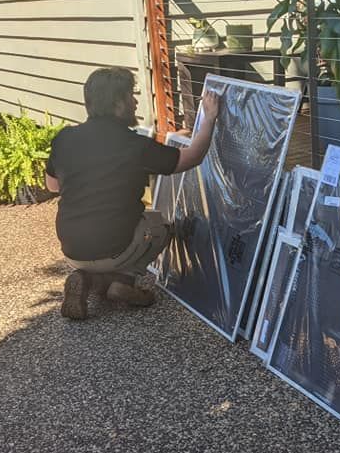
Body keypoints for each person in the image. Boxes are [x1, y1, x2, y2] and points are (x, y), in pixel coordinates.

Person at [44, 67, 219, 320]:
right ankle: (124, 281)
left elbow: (53, 186)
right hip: (115, 244)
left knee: (104, 243)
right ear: (117, 103)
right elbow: (192, 158)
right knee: (158, 226)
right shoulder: (133, 146)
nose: (135, 101)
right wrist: (210, 118)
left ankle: (86, 278)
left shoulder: (65, 138)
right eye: (130, 95)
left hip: (71, 247)